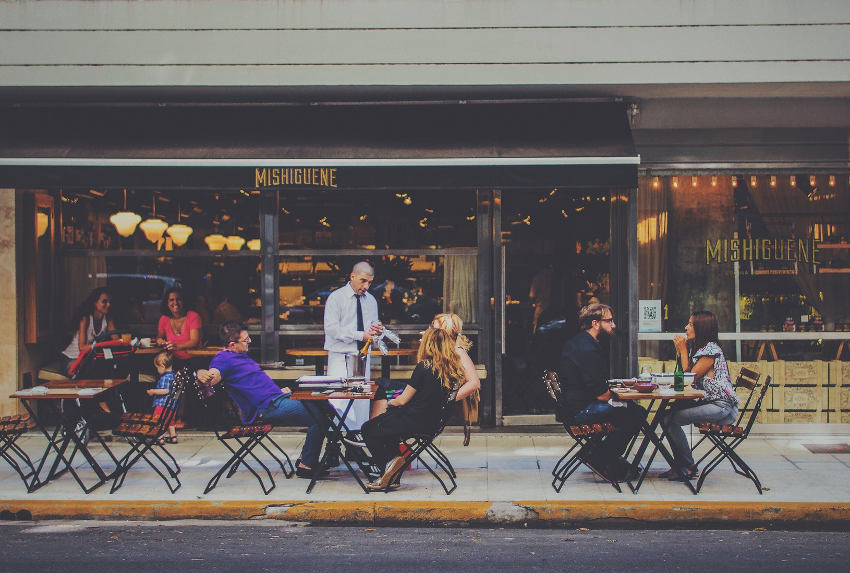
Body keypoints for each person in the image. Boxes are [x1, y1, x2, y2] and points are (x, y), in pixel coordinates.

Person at [197, 321, 327, 478]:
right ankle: (307, 464)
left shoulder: (240, 356)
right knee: (322, 414)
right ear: (232, 344)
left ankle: (305, 460)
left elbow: (254, 385)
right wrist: (203, 373)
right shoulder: (223, 359)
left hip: (276, 399)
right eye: (245, 340)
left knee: (324, 406)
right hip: (266, 408)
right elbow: (214, 375)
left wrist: (278, 391)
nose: (250, 342)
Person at [360, 327, 462, 491]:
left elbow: (402, 400)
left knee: (369, 428)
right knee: (388, 429)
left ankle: (390, 464)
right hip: (432, 423)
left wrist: (389, 403)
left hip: (414, 421)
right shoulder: (453, 370)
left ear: (428, 345)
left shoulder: (424, 367)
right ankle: (392, 474)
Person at [557, 303, 646, 482]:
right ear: (595, 323)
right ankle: (601, 458)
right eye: (609, 321)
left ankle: (599, 454)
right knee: (635, 414)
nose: (613, 325)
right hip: (581, 410)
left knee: (631, 411)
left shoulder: (583, 342)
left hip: (575, 406)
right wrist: (620, 394)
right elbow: (602, 395)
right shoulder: (587, 349)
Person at [661, 310, 739, 481]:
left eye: (690, 324)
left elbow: (689, 378)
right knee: (666, 416)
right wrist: (683, 351)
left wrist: (682, 350)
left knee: (670, 419)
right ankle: (681, 464)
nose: (686, 327)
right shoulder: (700, 349)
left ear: (701, 328)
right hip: (711, 402)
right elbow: (685, 375)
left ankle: (687, 465)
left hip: (721, 406)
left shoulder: (710, 351)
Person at [323, 261, 382, 430]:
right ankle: (335, 445)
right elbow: (331, 329)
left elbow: (373, 327)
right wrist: (359, 335)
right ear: (352, 276)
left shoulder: (371, 300)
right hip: (340, 356)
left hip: (362, 357)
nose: (366, 286)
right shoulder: (336, 298)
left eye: (370, 282)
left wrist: (377, 330)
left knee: (361, 401)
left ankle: (356, 442)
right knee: (338, 400)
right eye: (363, 281)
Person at [60, 287, 118, 375]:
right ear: (95, 303)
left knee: (111, 370)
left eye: (110, 302)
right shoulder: (85, 319)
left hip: (88, 360)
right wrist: (103, 346)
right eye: (104, 301)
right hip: (72, 358)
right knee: (87, 373)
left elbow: (116, 341)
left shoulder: (108, 319)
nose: (109, 305)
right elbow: (82, 348)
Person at [156, 287, 203, 361]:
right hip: (173, 360)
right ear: (167, 303)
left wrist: (176, 346)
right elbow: (159, 338)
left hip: (194, 359)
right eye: (171, 300)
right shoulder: (164, 319)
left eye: (178, 299)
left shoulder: (193, 316)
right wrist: (161, 342)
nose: (175, 302)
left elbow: (194, 342)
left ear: (184, 301)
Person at [147, 350, 178, 444]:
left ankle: (159, 437)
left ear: (162, 366)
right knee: (170, 422)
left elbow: (166, 390)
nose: (157, 370)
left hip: (162, 404)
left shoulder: (165, 377)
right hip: (171, 405)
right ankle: (173, 437)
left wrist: (153, 391)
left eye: (157, 368)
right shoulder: (173, 375)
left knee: (158, 421)